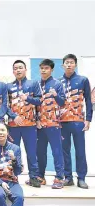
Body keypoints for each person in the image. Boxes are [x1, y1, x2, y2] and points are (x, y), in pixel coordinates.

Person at [6, 60, 42, 188]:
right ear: (13, 71)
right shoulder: (8, 86)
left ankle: (33, 177)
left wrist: (28, 98)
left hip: (29, 125)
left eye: (20, 68)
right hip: (13, 126)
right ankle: (12, 176)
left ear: (25, 69)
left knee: (31, 152)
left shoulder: (33, 83)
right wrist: (13, 116)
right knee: (13, 153)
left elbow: (39, 101)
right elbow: (5, 105)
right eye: (16, 68)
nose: (18, 70)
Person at [59, 54, 92, 189]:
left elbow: (89, 101)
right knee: (64, 150)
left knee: (80, 150)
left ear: (75, 65)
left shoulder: (83, 80)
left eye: (71, 62)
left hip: (78, 121)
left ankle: (82, 178)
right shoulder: (57, 81)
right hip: (62, 121)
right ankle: (68, 177)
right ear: (63, 65)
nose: (69, 65)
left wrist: (88, 119)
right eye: (66, 62)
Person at [36, 59, 66, 189]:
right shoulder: (36, 84)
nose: (43, 70)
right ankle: (40, 177)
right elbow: (33, 105)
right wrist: (36, 120)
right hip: (40, 126)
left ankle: (59, 177)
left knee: (57, 152)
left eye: (46, 68)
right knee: (40, 152)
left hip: (53, 125)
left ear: (51, 70)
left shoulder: (57, 84)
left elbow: (63, 103)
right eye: (42, 68)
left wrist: (55, 95)